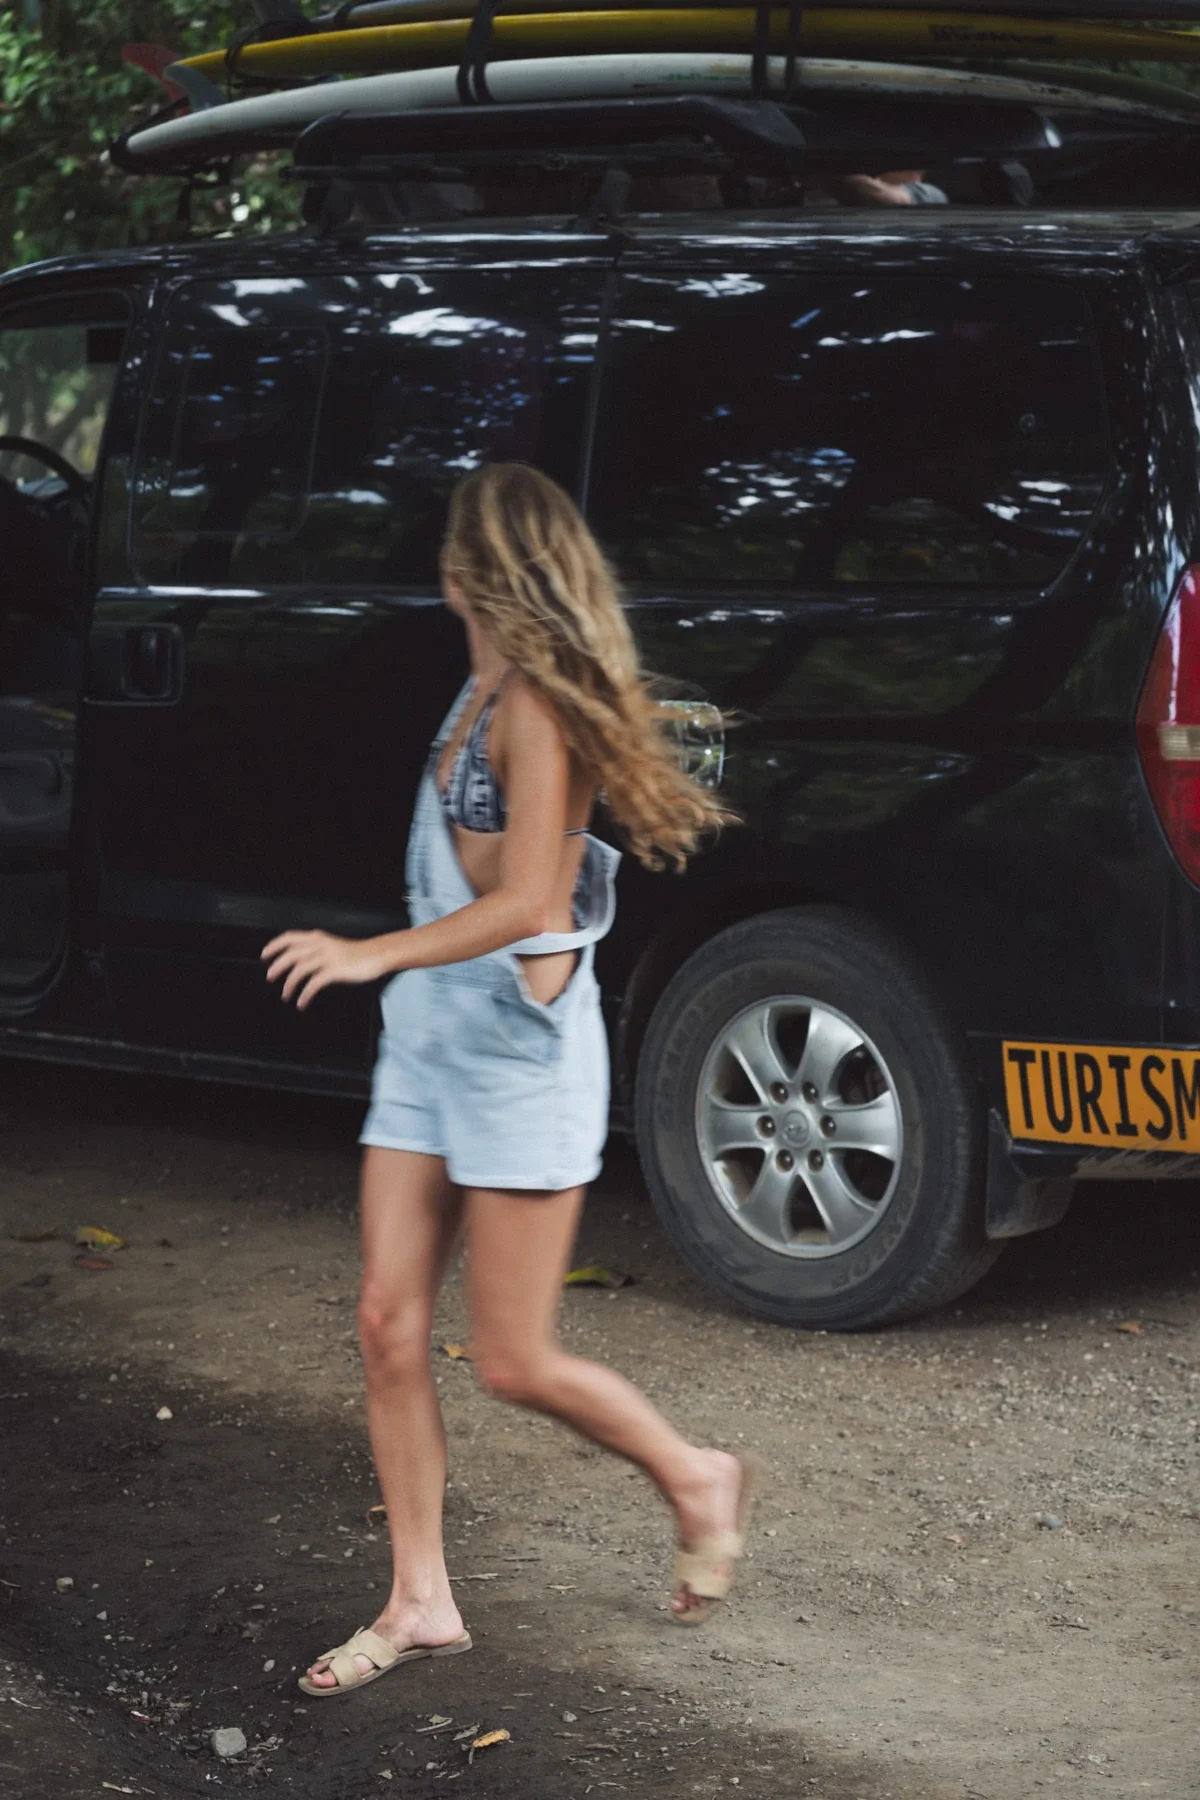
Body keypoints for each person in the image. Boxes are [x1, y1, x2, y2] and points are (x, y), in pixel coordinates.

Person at [262, 462, 760, 1698]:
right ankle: (421, 1600)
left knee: (512, 1361)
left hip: (518, 1061)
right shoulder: (473, 687)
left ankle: (695, 1475)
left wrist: (368, 951)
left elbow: (531, 900)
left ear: (468, 570)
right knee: (385, 1321)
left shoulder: (537, 707)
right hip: (428, 1046)